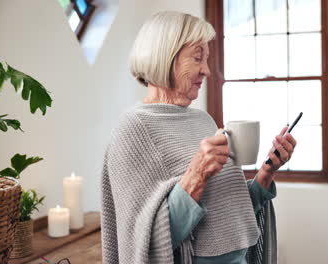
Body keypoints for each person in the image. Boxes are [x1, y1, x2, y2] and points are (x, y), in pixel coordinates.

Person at [100, 11, 297, 264]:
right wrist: (196, 175)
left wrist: (266, 173)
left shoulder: (203, 120)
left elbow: (229, 212)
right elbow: (145, 244)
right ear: (165, 56)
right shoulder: (132, 130)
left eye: (207, 59)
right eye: (197, 58)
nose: (206, 70)